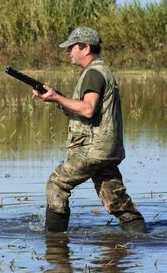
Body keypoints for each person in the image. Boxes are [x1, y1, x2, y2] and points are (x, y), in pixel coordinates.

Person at [32, 27, 146, 234]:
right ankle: (141, 238)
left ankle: (55, 242)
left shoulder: (93, 73)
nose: (68, 52)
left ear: (85, 48)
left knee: (57, 184)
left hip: (92, 150)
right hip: (107, 150)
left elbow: (87, 109)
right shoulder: (100, 71)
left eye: (71, 47)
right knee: (118, 202)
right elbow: (88, 109)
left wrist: (56, 98)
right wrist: (56, 97)